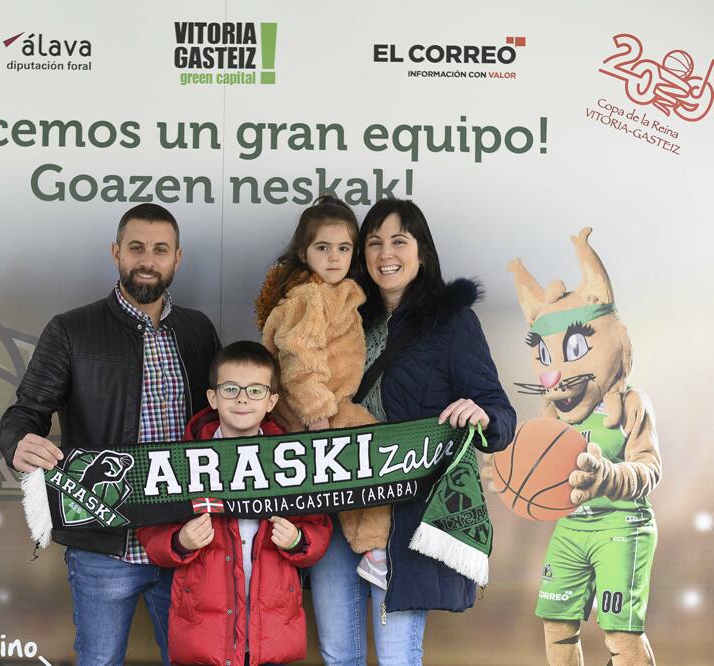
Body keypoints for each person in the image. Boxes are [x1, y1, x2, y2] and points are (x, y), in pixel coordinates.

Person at [0, 203, 221, 666]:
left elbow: (221, 420)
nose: (148, 260)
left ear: (177, 258)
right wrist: (17, 442)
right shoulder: (71, 330)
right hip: (104, 543)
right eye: (136, 248)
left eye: (160, 250)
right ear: (116, 253)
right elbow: (27, 412)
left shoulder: (198, 330)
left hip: (185, 540)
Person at [307, 198, 517, 666]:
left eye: (399, 241)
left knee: (397, 657)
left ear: (422, 252)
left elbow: (500, 413)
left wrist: (482, 415)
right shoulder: (343, 316)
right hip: (336, 503)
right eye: (374, 242)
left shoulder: (452, 321)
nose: (386, 254)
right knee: (338, 654)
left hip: (403, 516)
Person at [137, 341, 332, 666]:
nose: (242, 399)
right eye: (230, 389)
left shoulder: (292, 462)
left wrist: (298, 540)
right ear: (213, 398)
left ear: (271, 401)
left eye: (255, 391)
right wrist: (179, 541)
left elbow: (319, 526)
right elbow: (150, 528)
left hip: (270, 633)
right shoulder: (181, 460)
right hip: (204, 633)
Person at [254, 195, 384, 583]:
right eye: (323, 248)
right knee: (372, 454)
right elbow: (299, 360)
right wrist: (317, 417)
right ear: (303, 252)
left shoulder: (336, 293)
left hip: (331, 405)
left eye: (343, 248)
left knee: (365, 459)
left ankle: (369, 545)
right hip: (315, 412)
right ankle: (374, 548)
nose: (334, 257)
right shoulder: (310, 296)